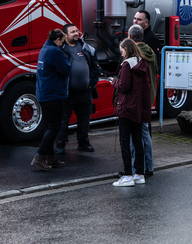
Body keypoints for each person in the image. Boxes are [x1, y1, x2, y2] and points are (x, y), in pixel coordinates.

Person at [110, 38, 151, 187]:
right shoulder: (142, 63)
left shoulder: (127, 64)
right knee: (137, 141)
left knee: (124, 142)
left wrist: (114, 82)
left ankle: (127, 176)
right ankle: (139, 174)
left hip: (126, 108)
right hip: (138, 107)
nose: (121, 53)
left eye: (121, 50)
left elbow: (124, 86)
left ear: (126, 49)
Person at [56, 23, 100, 154]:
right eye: (73, 32)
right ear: (65, 35)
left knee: (84, 119)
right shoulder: (60, 50)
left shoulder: (87, 48)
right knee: (63, 120)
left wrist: (91, 83)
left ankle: (83, 142)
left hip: (85, 92)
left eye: (77, 31)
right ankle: (60, 144)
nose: (76, 33)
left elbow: (96, 68)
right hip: (67, 93)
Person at [31, 29, 71, 171]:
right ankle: (40, 156)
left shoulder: (45, 49)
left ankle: (50, 157)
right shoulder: (55, 51)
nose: (62, 44)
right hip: (53, 94)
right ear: (57, 40)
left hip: (44, 93)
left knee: (48, 126)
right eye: (61, 41)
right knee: (54, 127)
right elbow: (66, 69)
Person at [127, 24, 156, 177]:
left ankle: (135, 167)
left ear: (129, 37)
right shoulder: (151, 51)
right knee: (145, 133)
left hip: (138, 98)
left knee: (135, 134)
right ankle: (149, 166)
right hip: (149, 96)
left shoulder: (134, 55)